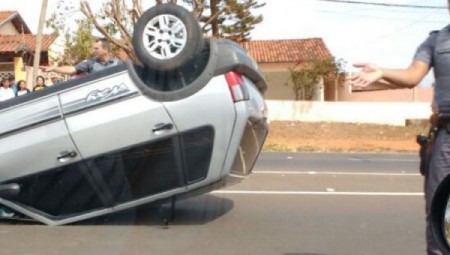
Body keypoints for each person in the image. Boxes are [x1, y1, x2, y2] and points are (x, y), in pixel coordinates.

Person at [350, 3, 450, 253]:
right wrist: (381, 71)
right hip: (446, 139)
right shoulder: (436, 40)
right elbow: (413, 75)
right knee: (439, 213)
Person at [40, 38, 121, 76]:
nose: (93, 51)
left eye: (96, 48)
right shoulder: (90, 63)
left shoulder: (118, 64)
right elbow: (72, 69)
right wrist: (54, 68)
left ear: (105, 49)